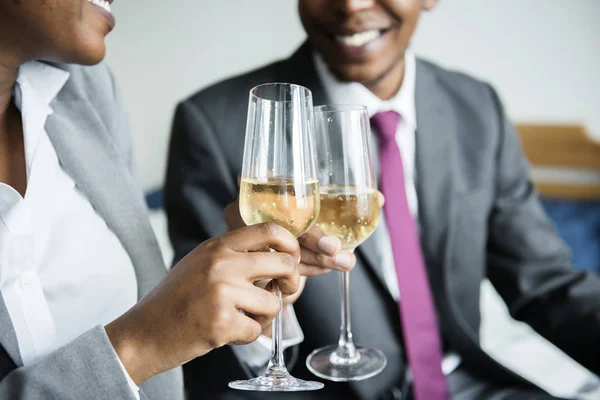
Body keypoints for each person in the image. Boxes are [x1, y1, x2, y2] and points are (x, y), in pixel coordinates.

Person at [166, 0, 600, 399]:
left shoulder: (476, 107)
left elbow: (544, 284)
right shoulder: (216, 124)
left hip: (470, 384)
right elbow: (200, 353)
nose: (351, 5)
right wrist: (256, 319)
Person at [0, 0, 347, 398]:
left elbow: (168, 335)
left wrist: (246, 302)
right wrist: (141, 344)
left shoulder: (86, 93)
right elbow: (154, 333)